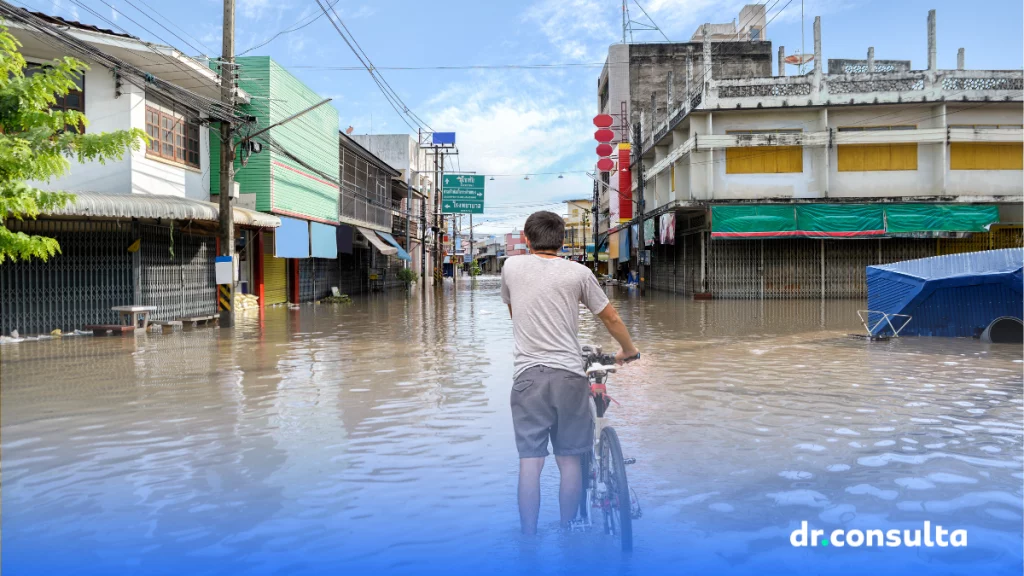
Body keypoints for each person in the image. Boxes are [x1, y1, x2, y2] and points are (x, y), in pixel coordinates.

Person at [501, 211, 640, 535]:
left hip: (527, 379)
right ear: (563, 241)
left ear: (526, 237)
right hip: (568, 377)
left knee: (530, 464)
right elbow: (612, 318)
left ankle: (529, 540)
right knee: (569, 461)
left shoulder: (510, 267)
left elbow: (514, 312)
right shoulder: (578, 272)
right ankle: (568, 531)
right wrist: (629, 351)